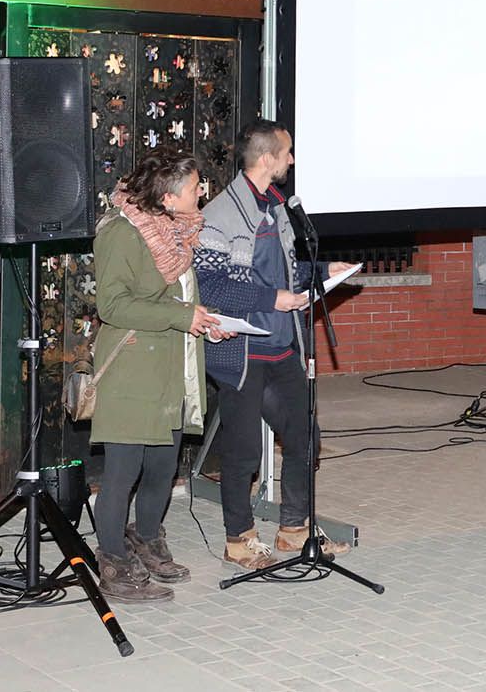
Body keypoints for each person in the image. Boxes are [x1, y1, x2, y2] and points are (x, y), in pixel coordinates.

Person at [195, 119, 356, 568]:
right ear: (267, 158)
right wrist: (272, 299)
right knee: (243, 450)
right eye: (286, 152)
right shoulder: (220, 215)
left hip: (283, 346)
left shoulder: (278, 207)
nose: (292, 160)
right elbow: (209, 286)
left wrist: (322, 271)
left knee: (305, 435)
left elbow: (283, 273)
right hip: (243, 353)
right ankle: (239, 540)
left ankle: (294, 530)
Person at [91, 148, 217, 602]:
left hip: (171, 368)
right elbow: (112, 306)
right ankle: (112, 561)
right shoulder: (121, 233)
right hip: (132, 369)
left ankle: (146, 538)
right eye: (195, 187)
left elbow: (179, 300)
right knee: (122, 472)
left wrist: (203, 319)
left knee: (163, 467)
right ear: (167, 197)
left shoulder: (178, 233)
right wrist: (182, 316)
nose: (202, 193)